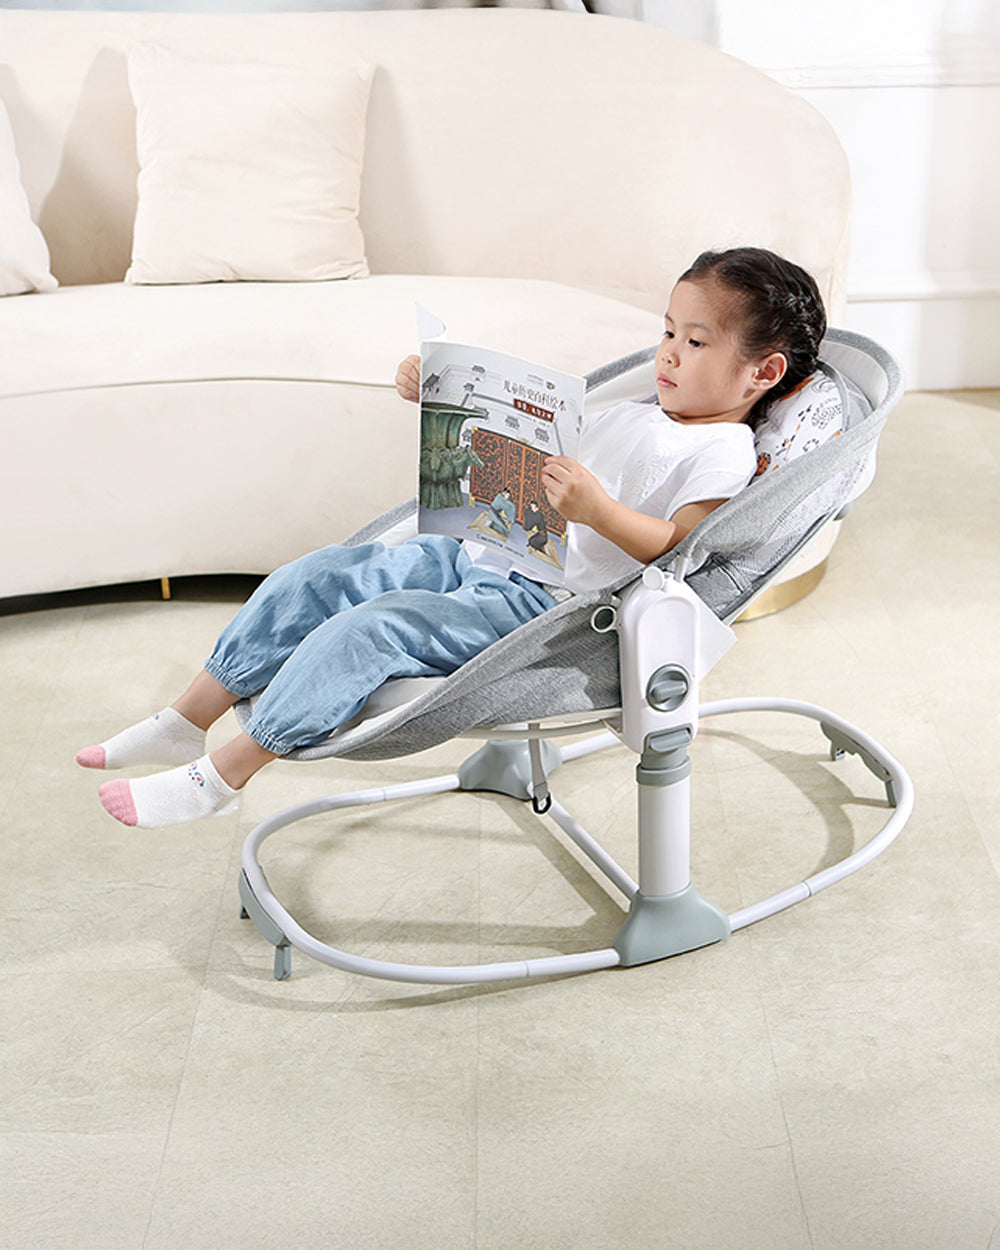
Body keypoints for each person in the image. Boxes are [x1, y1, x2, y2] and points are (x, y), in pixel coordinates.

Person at [77, 247, 826, 829]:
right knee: (319, 575)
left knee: (371, 631)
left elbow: (680, 545)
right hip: (479, 548)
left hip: (540, 603)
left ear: (762, 371)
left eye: (695, 341)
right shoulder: (636, 410)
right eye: (666, 331)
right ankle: (187, 719)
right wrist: (443, 396)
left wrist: (598, 511)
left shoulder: (723, 450)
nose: (667, 353)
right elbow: (531, 459)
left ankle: (225, 775)